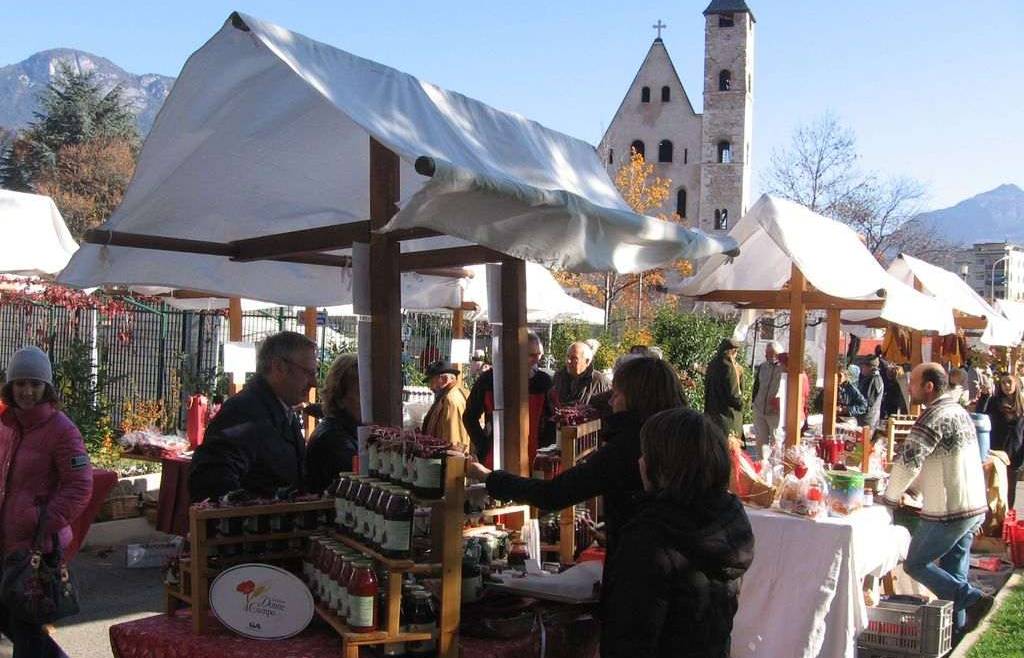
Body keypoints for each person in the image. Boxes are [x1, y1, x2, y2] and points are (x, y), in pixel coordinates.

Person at [466, 357, 686, 576]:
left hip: (641, 573)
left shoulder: (626, 446)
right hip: (680, 568)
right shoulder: (685, 437)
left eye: (616, 395)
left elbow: (552, 494)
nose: (610, 403)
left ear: (636, 399)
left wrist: (489, 477)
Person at [601, 408, 754, 658]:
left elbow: (629, 639)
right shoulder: (728, 519)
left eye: (645, 454)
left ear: (662, 466)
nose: (640, 461)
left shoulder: (652, 537)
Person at [883, 363, 991, 636]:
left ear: (928, 387)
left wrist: (891, 497)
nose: (908, 387)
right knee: (954, 573)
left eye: (913, 382)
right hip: (973, 505)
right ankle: (957, 631)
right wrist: (915, 491)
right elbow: (939, 462)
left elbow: (909, 462)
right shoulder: (958, 411)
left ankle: (972, 598)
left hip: (950, 510)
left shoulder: (933, 416)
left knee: (915, 564)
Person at [0, 346, 93, 658]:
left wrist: (40, 519)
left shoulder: (62, 430)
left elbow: (79, 486)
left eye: (35, 384)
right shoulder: (7, 425)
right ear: (10, 386)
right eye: (21, 383)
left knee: (24, 624)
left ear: (46, 388)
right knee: (11, 618)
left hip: (36, 546)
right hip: (6, 541)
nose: (27, 391)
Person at [189, 332, 317, 502]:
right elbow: (211, 482)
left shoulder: (281, 407)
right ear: (279, 367)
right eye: (308, 372)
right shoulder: (244, 411)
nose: (314, 382)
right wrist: (270, 504)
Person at [463, 332, 554, 467]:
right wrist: (484, 446)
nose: (536, 360)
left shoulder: (543, 382)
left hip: (534, 460)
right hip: (495, 458)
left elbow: (553, 418)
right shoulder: (489, 380)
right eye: (531, 355)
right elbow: (470, 416)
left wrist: (544, 448)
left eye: (538, 354)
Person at [304, 353, 359, 493]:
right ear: (340, 397)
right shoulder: (335, 440)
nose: (371, 399)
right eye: (362, 393)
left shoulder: (346, 431)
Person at [985, 373, 1024, 508]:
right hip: (997, 452)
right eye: (1003, 383)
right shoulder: (994, 402)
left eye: (1009, 382)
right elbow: (982, 417)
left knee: (1010, 490)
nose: (1006, 386)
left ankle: (1007, 521)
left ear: (1016, 384)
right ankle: (993, 522)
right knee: (994, 489)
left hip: (1015, 454)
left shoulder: (1021, 404)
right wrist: (984, 396)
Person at [421, 361, 471, 449]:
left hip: (450, 460)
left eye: (432, 382)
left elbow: (454, 441)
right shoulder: (447, 397)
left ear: (444, 380)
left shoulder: (451, 400)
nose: (431, 388)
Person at [704, 338, 744, 439]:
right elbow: (734, 394)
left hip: (712, 414)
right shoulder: (730, 367)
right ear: (733, 351)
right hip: (727, 417)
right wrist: (741, 405)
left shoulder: (712, 365)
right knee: (729, 451)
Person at [551, 341, 611, 407]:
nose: (568, 361)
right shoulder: (558, 377)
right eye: (567, 356)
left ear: (587, 361)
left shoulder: (601, 382)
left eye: (574, 358)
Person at [751, 341, 783, 451]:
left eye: (770, 353)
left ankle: (775, 466)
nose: (766, 355)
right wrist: (753, 403)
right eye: (766, 352)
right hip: (759, 408)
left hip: (775, 411)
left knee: (776, 441)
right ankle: (761, 465)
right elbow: (756, 386)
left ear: (777, 354)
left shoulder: (783, 369)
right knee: (760, 442)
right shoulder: (762, 367)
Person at [858, 356, 885, 429]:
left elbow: (868, 403)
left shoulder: (874, 379)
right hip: (868, 420)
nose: (861, 368)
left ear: (870, 367)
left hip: (868, 422)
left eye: (863, 366)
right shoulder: (872, 378)